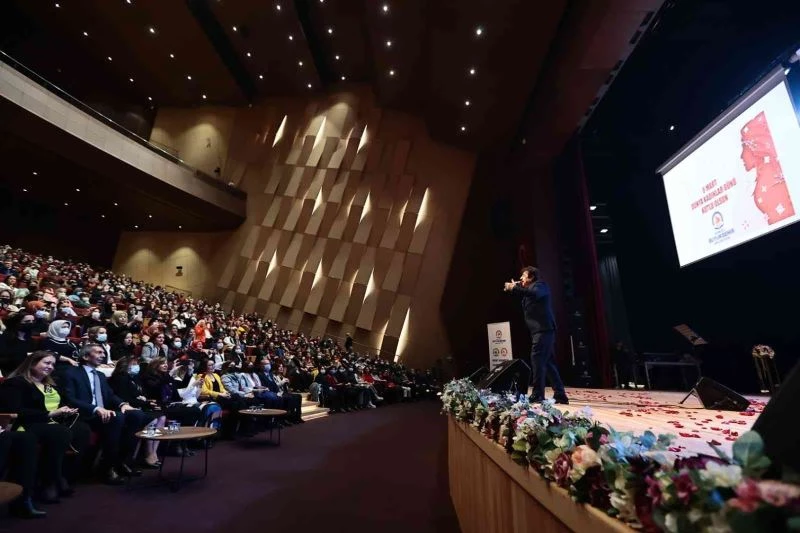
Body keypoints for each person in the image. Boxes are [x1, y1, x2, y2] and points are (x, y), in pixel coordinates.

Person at [0, 352, 91, 502]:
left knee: (82, 429)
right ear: (32, 363)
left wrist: (66, 411)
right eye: (46, 363)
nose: (50, 367)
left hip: (53, 421)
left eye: (53, 364)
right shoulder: (17, 383)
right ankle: (49, 482)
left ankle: (64, 475)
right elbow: (16, 410)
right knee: (60, 433)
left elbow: (62, 403)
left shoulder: (50, 384)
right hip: (28, 423)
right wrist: (50, 414)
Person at [59, 344, 153, 484]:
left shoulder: (100, 375)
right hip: (83, 414)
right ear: (85, 356)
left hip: (102, 413)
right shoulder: (71, 373)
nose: (103, 355)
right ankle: (107, 468)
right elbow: (70, 398)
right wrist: (95, 408)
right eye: (98, 352)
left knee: (137, 415)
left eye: (103, 352)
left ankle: (122, 461)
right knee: (117, 418)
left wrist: (123, 404)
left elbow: (110, 395)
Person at [504, 266, 568, 404]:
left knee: (537, 360)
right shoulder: (529, 290)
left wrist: (514, 288)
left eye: (524, 276)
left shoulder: (540, 285)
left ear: (532, 277)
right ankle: (560, 395)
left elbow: (533, 294)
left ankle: (538, 394)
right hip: (539, 331)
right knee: (548, 363)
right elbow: (527, 294)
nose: (521, 278)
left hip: (544, 330)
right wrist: (514, 288)